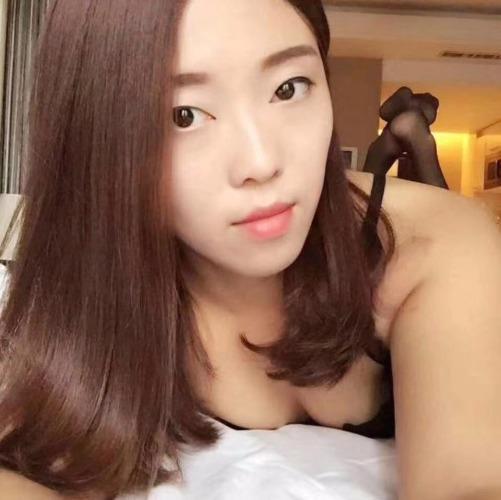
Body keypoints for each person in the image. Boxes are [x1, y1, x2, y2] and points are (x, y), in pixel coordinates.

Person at [0, 1, 500, 499]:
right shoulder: (85, 298)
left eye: (289, 87)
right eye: (184, 116)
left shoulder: (436, 241)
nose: (261, 162)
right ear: (100, 141)